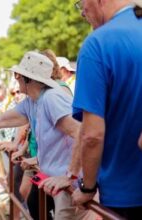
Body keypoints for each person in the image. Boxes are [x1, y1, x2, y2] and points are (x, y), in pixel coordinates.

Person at [0, 51, 92, 219]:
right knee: (35, 206)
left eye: (17, 75)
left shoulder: (51, 99)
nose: (15, 79)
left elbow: (82, 134)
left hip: (69, 184)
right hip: (56, 180)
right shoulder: (32, 101)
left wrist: (70, 176)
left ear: (29, 79)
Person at [71, 1, 142, 218]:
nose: (82, 11)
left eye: (81, 2)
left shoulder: (98, 44)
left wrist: (87, 187)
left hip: (124, 197)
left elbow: (92, 135)